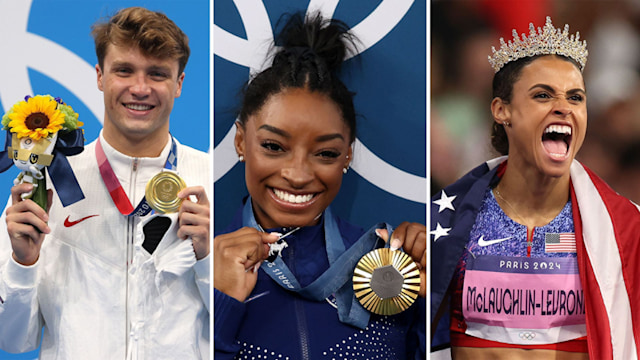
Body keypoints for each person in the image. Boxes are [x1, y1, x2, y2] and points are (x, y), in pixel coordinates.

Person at [0, 7, 210, 359]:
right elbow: (11, 339)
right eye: (124, 71)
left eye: (157, 74)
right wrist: (22, 263)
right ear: (100, 76)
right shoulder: (46, 183)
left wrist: (207, 260)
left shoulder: (205, 184)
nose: (140, 88)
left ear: (179, 84)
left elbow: (232, 329)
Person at [213, 12, 426, 359]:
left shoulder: (391, 268)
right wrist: (220, 306)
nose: (297, 175)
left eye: (325, 153)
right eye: (273, 147)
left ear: (348, 155)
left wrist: (432, 306)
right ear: (240, 141)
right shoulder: (197, 267)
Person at [431, 16, 640, 360]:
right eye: (543, 95)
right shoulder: (447, 221)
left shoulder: (625, 229)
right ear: (502, 110)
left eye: (576, 98)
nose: (563, 107)